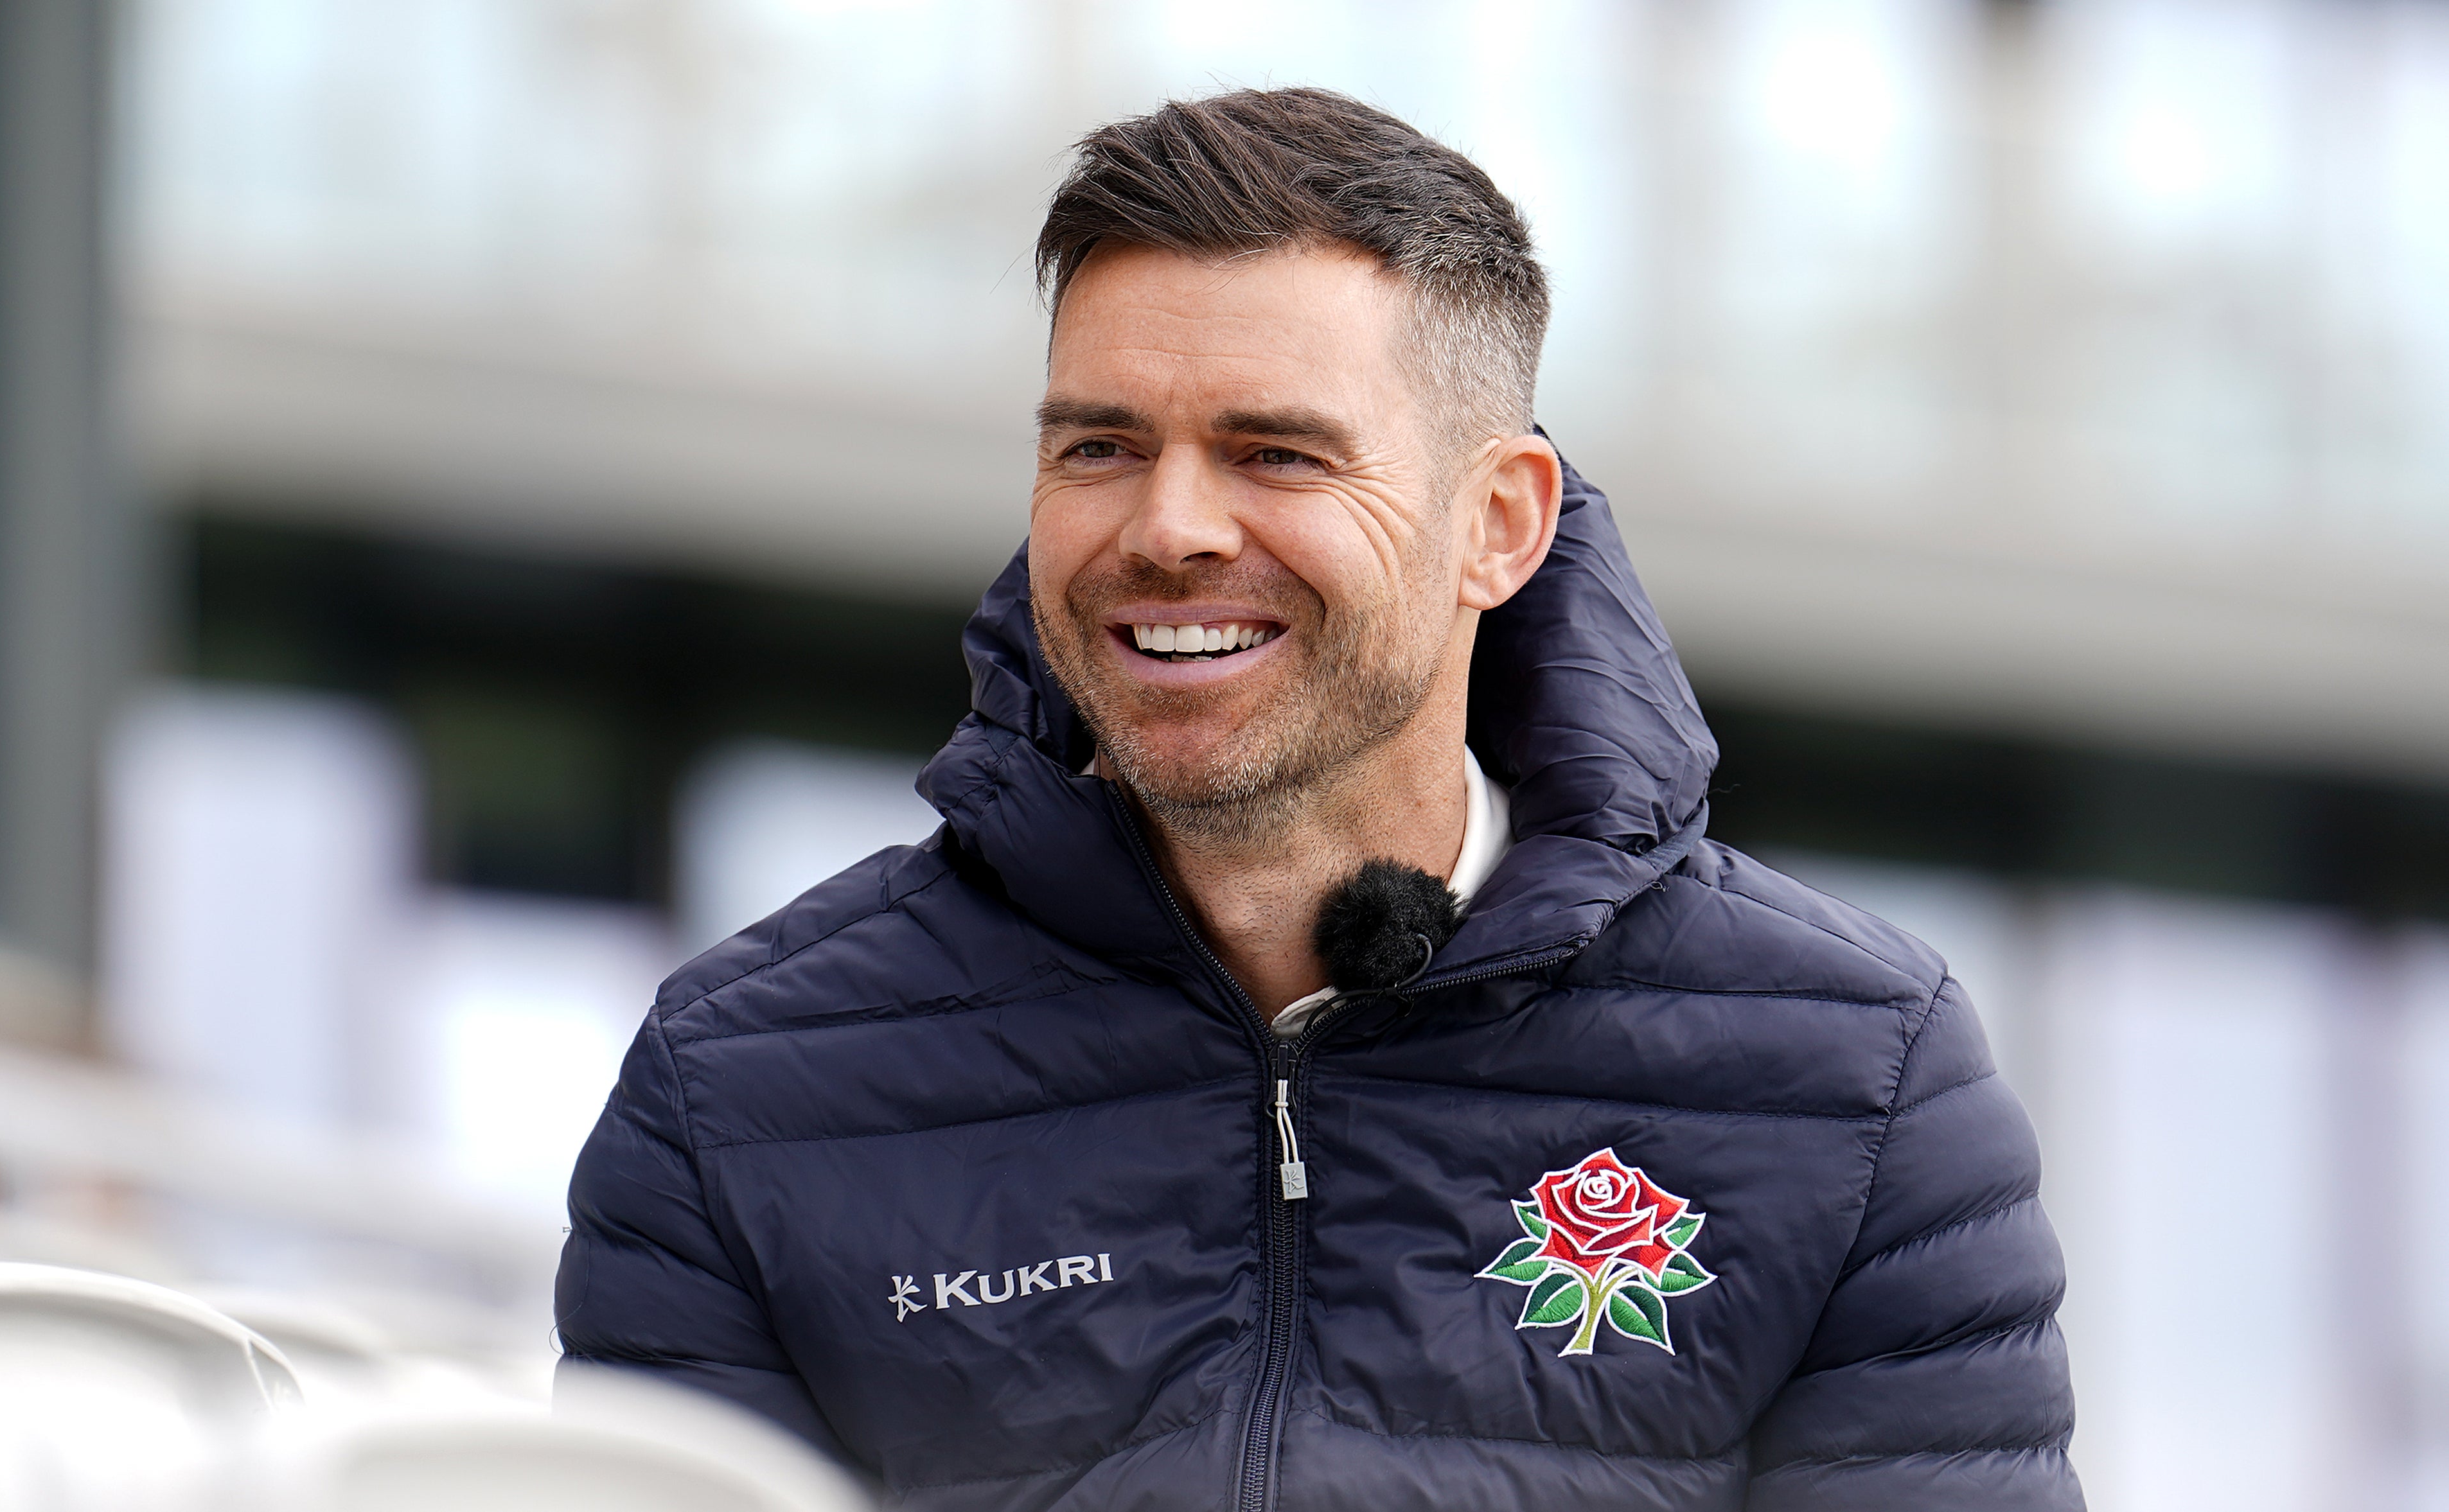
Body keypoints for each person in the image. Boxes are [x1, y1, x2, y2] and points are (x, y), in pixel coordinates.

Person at [557, 87, 2082, 1511]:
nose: (1167, 527)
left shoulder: (1853, 1083)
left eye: (1272, 452)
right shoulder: (747, 1085)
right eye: (1099, 447)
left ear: (1496, 525)